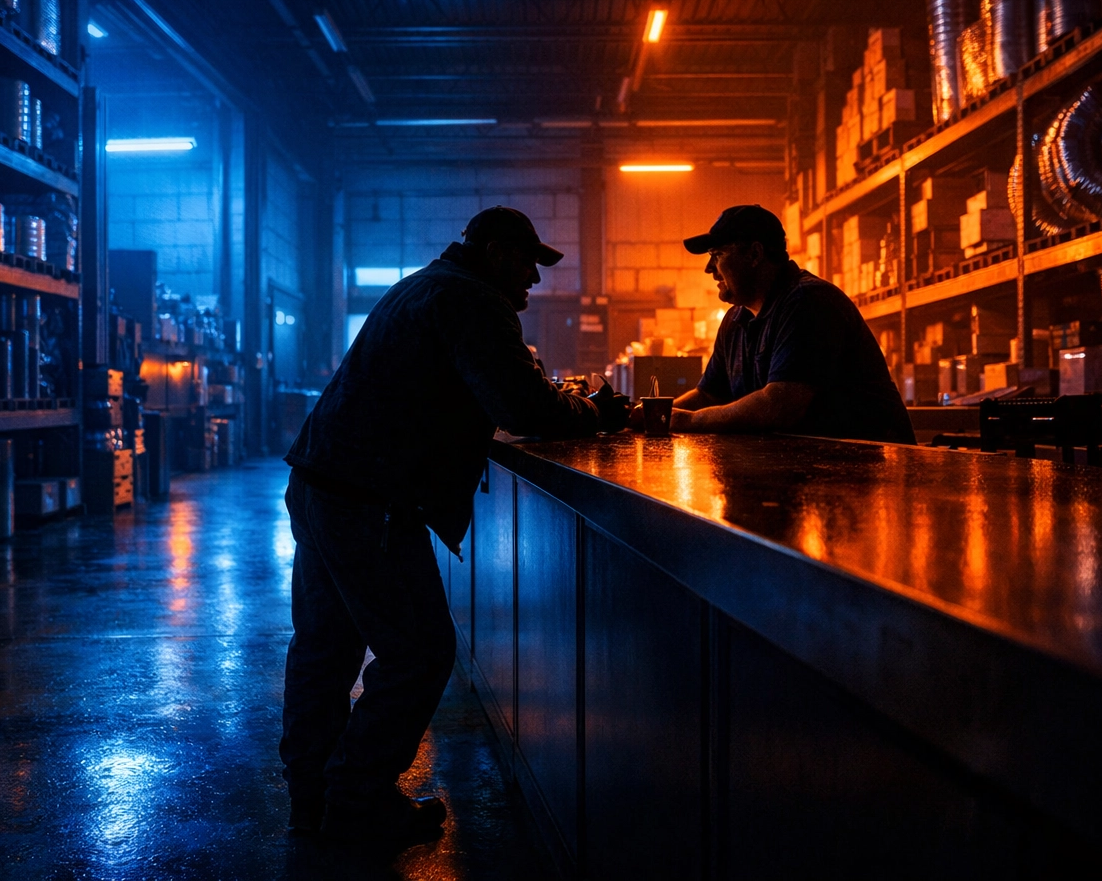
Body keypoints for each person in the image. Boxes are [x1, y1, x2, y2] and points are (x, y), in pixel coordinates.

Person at [281, 206, 629, 849]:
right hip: (369, 500)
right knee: (419, 654)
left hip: (324, 484)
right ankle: (355, 805)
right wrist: (597, 413)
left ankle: (315, 802)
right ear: (495, 252)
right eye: (527, 263)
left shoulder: (427, 285)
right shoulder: (470, 298)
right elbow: (523, 405)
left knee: (324, 654)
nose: (533, 279)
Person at [635, 204, 914, 444]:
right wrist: (649, 416)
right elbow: (708, 393)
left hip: (867, 469)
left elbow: (780, 404)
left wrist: (688, 421)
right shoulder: (736, 319)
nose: (709, 268)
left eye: (717, 255)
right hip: (814, 468)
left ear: (755, 255)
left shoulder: (809, 302)